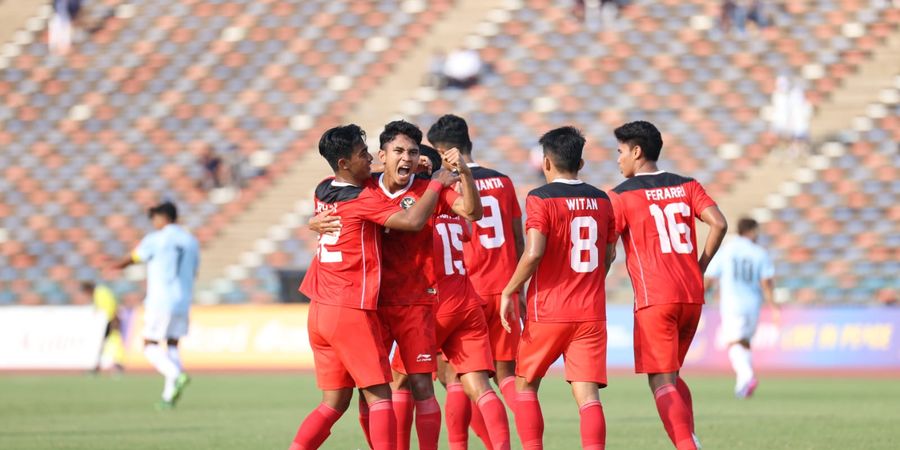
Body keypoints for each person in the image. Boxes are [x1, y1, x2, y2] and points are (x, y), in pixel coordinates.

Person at [292, 124, 458, 450]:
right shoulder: (362, 199)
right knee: (381, 395)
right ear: (343, 163)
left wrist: (311, 222)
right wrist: (436, 184)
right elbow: (411, 222)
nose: (369, 159)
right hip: (349, 307)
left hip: (319, 308)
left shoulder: (323, 189)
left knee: (334, 402)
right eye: (361, 154)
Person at [608, 121, 728, 450]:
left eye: (620, 152)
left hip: (655, 298)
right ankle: (692, 440)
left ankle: (687, 446)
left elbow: (607, 249)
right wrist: (698, 267)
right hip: (691, 295)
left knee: (660, 379)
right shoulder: (687, 184)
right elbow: (719, 223)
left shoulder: (621, 196)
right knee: (672, 375)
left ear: (637, 151)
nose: (617, 160)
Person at [498, 126, 616, 450]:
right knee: (587, 395)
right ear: (581, 163)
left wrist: (510, 289)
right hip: (591, 312)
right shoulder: (602, 199)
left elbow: (534, 251)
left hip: (548, 310)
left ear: (546, 163)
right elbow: (609, 254)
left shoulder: (540, 198)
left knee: (525, 385)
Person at [371, 120, 482, 450]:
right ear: (383, 155)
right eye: (399, 151)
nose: (407, 157)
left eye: (413, 152)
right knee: (374, 387)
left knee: (420, 384)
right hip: (375, 303)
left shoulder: (430, 191)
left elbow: (473, 212)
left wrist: (464, 174)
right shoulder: (366, 189)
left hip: (418, 302)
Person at [426, 114, 523, 448]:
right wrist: (518, 288)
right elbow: (518, 239)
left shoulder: (448, 184)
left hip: (464, 291)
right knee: (507, 376)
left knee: (456, 378)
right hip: (505, 288)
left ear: (442, 151)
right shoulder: (504, 181)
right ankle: (526, 439)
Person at [109, 201, 199, 409]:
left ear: (163, 218)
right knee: (173, 343)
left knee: (150, 344)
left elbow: (134, 257)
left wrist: (115, 265)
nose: (154, 222)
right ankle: (169, 397)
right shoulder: (191, 241)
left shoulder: (157, 239)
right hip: (183, 299)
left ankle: (176, 374)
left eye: (155, 218)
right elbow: (194, 271)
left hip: (160, 300)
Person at [705, 217, 777, 398]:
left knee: (733, 342)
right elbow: (766, 282)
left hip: (732, 303)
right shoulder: (760, 253)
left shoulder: (727, 250)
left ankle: (747, 376)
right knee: (744, 342)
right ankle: (742, 386)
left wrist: (700, 294)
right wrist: (773, 305)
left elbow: (711, 276)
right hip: (753, 304)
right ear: (751, 231)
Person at [80, 280, 124, 373]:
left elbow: (109, 307)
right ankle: (102, 365)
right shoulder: (101, 292)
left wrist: (112, 319)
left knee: (105, 342)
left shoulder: (100, 293)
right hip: (108, 320)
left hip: (108, 321)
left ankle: (102, 365)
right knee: (109, 342)